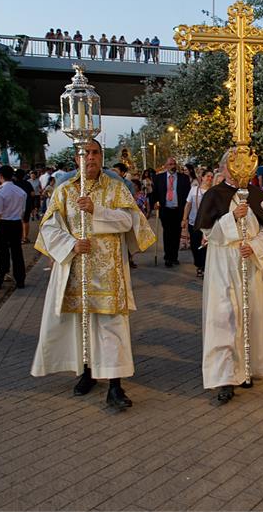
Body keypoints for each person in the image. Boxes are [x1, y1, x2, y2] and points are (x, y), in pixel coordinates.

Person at [31, 140, 155, 408]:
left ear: (101, 156)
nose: (90, 157)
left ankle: (115, 386)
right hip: (77, 269)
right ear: (76, 158)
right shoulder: (64, 191)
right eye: (84, 153)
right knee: (82, 325)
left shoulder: (116, 187)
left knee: (112, 328)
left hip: (109, 272)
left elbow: (129, 220)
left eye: (95, 152)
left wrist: (96, 212)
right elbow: (49, 228)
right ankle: (87, 372)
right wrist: (71, 244)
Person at [195, 151, 263, 403]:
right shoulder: (214, 194)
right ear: (224, 168)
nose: (239, 170)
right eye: (234, 165)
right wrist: (231, 218)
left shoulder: (257, 195)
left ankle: (246, 369)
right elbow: (208, 232)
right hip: (223, 264)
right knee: (225, 319)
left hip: (251, 263)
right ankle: (225, 377)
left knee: (250, 316)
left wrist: (254, 247)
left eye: (245, 165)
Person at [0, 165, 27, 290]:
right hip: (16, 223)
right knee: (17, 252)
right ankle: (20, 279)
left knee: (2, 252)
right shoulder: (21, 192)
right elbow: (22, 210)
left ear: (0, 177)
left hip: (3, 224)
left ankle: (0, 278)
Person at [152, 157, 190, 267]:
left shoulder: (184, 178)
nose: (172, 166)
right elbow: (155, 193)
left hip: (178, 209)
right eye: (170, 164)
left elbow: (187, 195)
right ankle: (167, 257)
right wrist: (155, 202)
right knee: (167, 233)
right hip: (166, 209)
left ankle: (174, 256)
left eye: (174, 164)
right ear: (166, 166)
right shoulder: (159, 178)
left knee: (176, 233)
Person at [183, 168, 213, 277]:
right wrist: (184, 219)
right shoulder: (194, 189)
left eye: (211, 177)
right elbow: (188, 205)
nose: (209, 178)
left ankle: (204, 267)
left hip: (208, 224)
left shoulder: (213, 191)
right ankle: (199, 265)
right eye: (208, 176)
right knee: (195, 245)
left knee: (205, 245)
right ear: (202, 177)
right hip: (194, 222)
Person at [14, 169, 35, 244]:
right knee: (25, 221)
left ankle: (18, 237)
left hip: (16, 205)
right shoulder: (27, 183)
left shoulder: (13, 184)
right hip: (27, 204)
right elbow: (32, 194)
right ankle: (25, 238)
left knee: (17, 221)